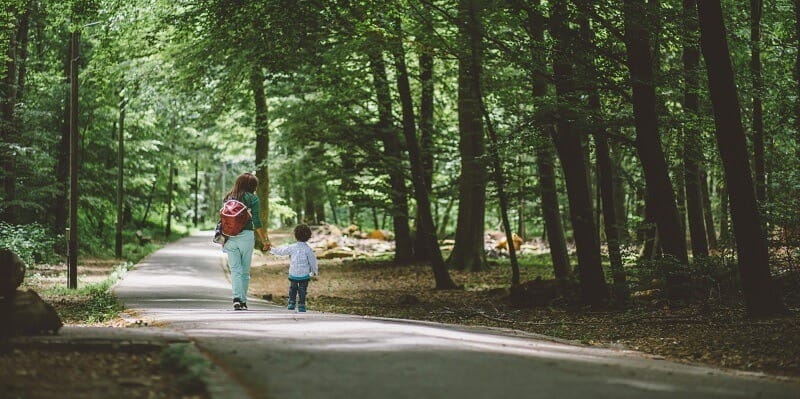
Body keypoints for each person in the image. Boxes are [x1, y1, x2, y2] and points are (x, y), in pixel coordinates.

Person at [223, 172, 270, 311]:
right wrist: (265, 240)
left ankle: (236, 298)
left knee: (235, 270)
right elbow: (257, 221)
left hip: (229, 236)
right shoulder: (252, 198)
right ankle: (242, 301)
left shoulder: (228, 197)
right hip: (246, 236)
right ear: (252, 186)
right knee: (244, 271)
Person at [269, 224, 318, 312]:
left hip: (293, 273)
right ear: (308, 237)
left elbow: (281, 251)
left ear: (296, 236)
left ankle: (291, 303)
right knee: (302, 290)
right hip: (304, 275)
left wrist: (271, 249)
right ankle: (301, 305)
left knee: (293, 288)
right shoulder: (308, 250)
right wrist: (314, 271)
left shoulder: (292, 247)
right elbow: (313, 262)